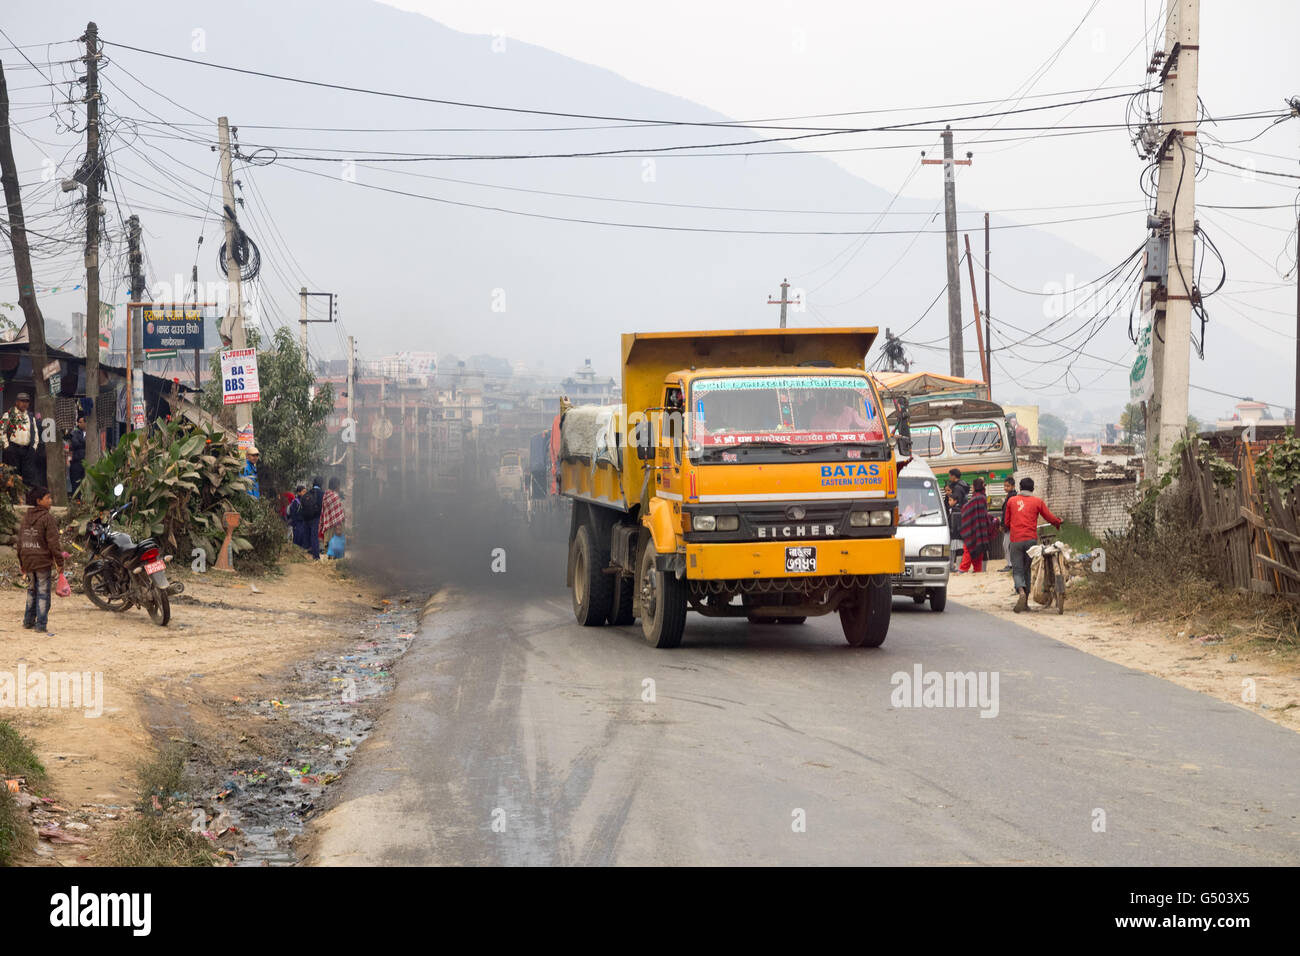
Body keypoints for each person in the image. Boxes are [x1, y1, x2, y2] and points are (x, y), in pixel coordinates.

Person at [1006, 476, 1062, 613]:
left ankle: (1020, 591)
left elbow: (1006, 522)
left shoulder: (1011, 501)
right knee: (1026, 569)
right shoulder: (1038, 501)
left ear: (1020, 487)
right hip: (1031, 541)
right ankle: (1025, 602)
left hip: (1015, 540)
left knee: (1017, 569)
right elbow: (1049, 517)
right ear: (1033, 488)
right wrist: (1057, 522)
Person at [18, 485, 64, 633]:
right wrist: (60, 562)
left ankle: (28, 621)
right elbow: (53, 543)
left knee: (32, 591)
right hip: (42, 561)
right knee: (43, 592)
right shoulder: (47, 518)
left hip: (28, 560)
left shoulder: (26, 517)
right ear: (39, 501)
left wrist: (21, 562)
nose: (50, 501)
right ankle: (41, 624)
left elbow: (20, 541)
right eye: (48, 498)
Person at [2, 392, 42, 489]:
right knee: (13, 476)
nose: (25, 403)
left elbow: (35, 433)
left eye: (27, 401)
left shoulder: (31, 416)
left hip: (27, 450)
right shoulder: (8, 414)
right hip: (13, 449)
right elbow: (1, 431)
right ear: (17, 402)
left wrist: (34, 448)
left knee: (28, 477)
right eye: (22, 401)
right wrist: (7, 447)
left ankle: (26, 500)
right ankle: (14, 500)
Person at [958, 477, 993, 573]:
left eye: (973, 486)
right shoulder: (982, 497)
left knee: (968, 548)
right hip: (980, 528)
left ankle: (963, 569)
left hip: (972, 528)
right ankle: (977, 569)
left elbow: (965, 510)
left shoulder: (977, 497)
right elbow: (983, 514)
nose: (972, 487)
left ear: (975, 487)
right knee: (978, 549)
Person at [945, 468, 969, 568]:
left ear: (954, 476)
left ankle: (955, 566)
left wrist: (949, 496)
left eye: (950, 475)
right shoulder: (962, 486)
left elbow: (955, 501)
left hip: (956, 520)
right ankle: (956, 565)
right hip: (960, 517)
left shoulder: (957, 488)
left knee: (956, 544)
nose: (949, 477)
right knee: (957, 544)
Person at [319, 476, 346, 553]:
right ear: (336, 485)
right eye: (339, 485)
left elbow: (324, 511)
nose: (339, 487)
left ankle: (329, 561)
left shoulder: (325, 495)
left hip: (327, 525)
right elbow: (339, 514)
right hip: (337, 526)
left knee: (328, 547)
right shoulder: (335, 496)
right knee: (338, 546)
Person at [299, 476, 324, 559]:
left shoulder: (308, 493)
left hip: (306, 517)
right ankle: (316, 556)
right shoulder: (321, 493)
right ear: (321, 483)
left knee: (307, 534)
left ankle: (306, 552)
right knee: (314, 536)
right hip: (316, 517)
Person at [998, 476, 1017, 572]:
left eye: (1008, 486)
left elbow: (1006, 513)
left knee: (1007, 545)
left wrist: (1003, 525)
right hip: (1011, 525)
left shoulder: (1011, 497)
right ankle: (1010, 564)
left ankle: (1010, 564)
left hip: (1009, 526)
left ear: (1013, 486)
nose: (1005, 488)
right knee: (1007, 544)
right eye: (1004, 486)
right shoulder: (1011, 496)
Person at [67, 415, 87, 497]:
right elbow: (75, 443)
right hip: (77, 461)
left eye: (80, 422)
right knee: (75, 482)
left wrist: (82, 442)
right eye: (78, 422)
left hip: (86, 462)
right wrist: (85, 442)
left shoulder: (91, 432)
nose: (78, 424)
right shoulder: (75, 432)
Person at [287, 484, 307, 550]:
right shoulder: (295, 502)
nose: (305, 493)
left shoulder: (305, 501)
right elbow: (293, 514)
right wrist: (294, 524)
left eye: (305, 491)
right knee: (297, 538)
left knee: (303, 538)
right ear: (298, 493)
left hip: (303, 522)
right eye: (303, 491)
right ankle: (296, 551)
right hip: (297, 523)